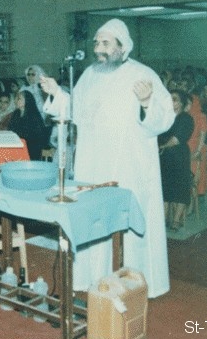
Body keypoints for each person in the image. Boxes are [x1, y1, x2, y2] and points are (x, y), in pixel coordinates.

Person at [40, 18, 175, 298]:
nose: (98, 48)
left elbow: (164, 119)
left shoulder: (142, 74)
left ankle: (132, 284)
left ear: (122, 47)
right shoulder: (89, 74)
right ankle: (94, 279)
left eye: (105, 43)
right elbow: (75, 109)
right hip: (92, 163)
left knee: (125, 226)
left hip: (128, 165)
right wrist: (57, 94)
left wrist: (147, 102)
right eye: (96, 43)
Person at [158, 90, 194, 231]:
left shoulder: (186, 118)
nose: (171, 102)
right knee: (164, 188)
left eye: (174, 99)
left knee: (180, 189)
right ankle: (164, 218)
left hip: (178, 156)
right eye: (169, 99)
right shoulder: (164, 117)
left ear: (182, 103)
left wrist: (161, 146)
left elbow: (176, 139)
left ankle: (176, 220)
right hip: (163, 157)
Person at [8, 90, 49, 160]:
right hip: (17, 145)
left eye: (19, 98)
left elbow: (38, 137)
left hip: (31, 149)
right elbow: (10, 130)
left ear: (27, 101)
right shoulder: (15, 113)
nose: (15, 101)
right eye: (16, 98)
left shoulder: (34, 116)